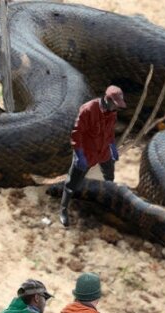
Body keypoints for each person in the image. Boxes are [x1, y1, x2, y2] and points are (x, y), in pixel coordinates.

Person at [59, 85, 127, 227]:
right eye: (116, 104)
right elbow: (76, 134)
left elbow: (109, 133)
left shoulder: (112, 113)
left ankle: (106, 204)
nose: (117, 108)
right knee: (72, 183)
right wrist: (79, 154)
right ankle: (63, 209)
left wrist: (112, 148)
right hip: (87, 152)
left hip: (103, 152)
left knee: (109, 177)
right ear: (108, 100)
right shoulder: (88, 109)